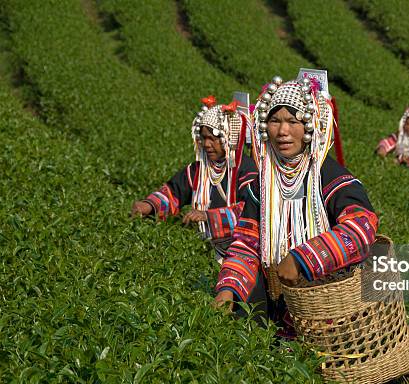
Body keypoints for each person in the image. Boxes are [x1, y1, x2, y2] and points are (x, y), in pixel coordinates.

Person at [213, 76, 378, 330]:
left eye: (293, 121)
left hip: (328, 304)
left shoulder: (329, 175)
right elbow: (246, 242)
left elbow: (362, 227)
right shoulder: (263, 182)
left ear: (310, 125)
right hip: (279, 302)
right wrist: (228, 288)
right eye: (275, 121)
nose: (282, 132)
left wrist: (302, 259)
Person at [130, 96, 257, 259]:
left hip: (238, 253)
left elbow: (249, 210)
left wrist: (208, 217)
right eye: (204, 138)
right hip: (201, 248)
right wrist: (149, 205)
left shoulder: (246, 170)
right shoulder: (199, 169)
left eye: (213, 138)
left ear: (228, 138)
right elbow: (174, 191)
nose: (207, 144)